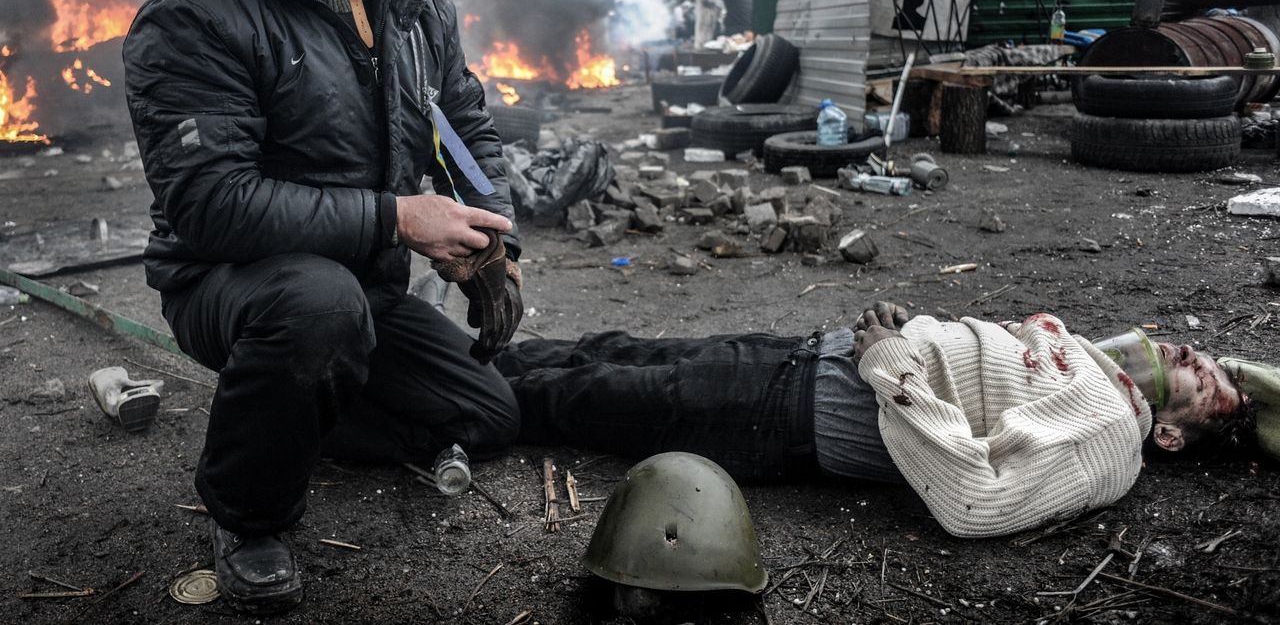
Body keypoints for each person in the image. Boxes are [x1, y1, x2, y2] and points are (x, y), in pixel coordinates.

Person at [122, 0, 523, 615]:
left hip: (359, 286)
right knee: (318, 309)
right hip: (235, 284)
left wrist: (494, 232)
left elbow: (462, 129)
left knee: (485, 412)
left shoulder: (411, 7)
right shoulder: (191, 22)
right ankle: (250, 513)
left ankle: (297, 409)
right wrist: (399, 218)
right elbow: (212, 204)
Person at [495, 302, 1256, 539]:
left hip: (790, 413)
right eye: (1204, 353)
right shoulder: (1093, 364)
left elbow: (976, 500)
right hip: (806, 356)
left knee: (582, 396)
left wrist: (891, 356)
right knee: (608, 348)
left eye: (1208, 377)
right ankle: (454, 356)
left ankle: (411, 401)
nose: (1197, 354)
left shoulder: (1108, 439)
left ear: (1169, 434)